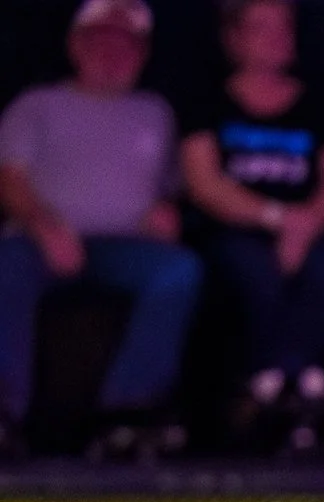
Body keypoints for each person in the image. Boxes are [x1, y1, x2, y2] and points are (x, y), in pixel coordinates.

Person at [0, 0, 199, 462]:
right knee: (5, 264)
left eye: (126, 43)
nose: (113, 52)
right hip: (42, 240)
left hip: (125, 246)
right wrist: (44, 225)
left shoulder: (155, 112)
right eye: (101, 40)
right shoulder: (36, 105)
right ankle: (5, 411)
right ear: (76, 46)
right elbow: (9, 180)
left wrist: (168, 211)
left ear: (143, 53)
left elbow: (174, 184)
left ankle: (127, 410)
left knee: (180, 270)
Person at [180, 0, 324, 456]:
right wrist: (276, 219)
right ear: (233, 39)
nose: (278, 37)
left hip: (309, 229)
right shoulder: (207, 99)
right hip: (235, 227)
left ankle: (273, 387)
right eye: (263, 28)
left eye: (285, 27)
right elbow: (203, 182)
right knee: (254, 271)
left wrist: (307, 223)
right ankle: (291, 385)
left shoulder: (319, 101)